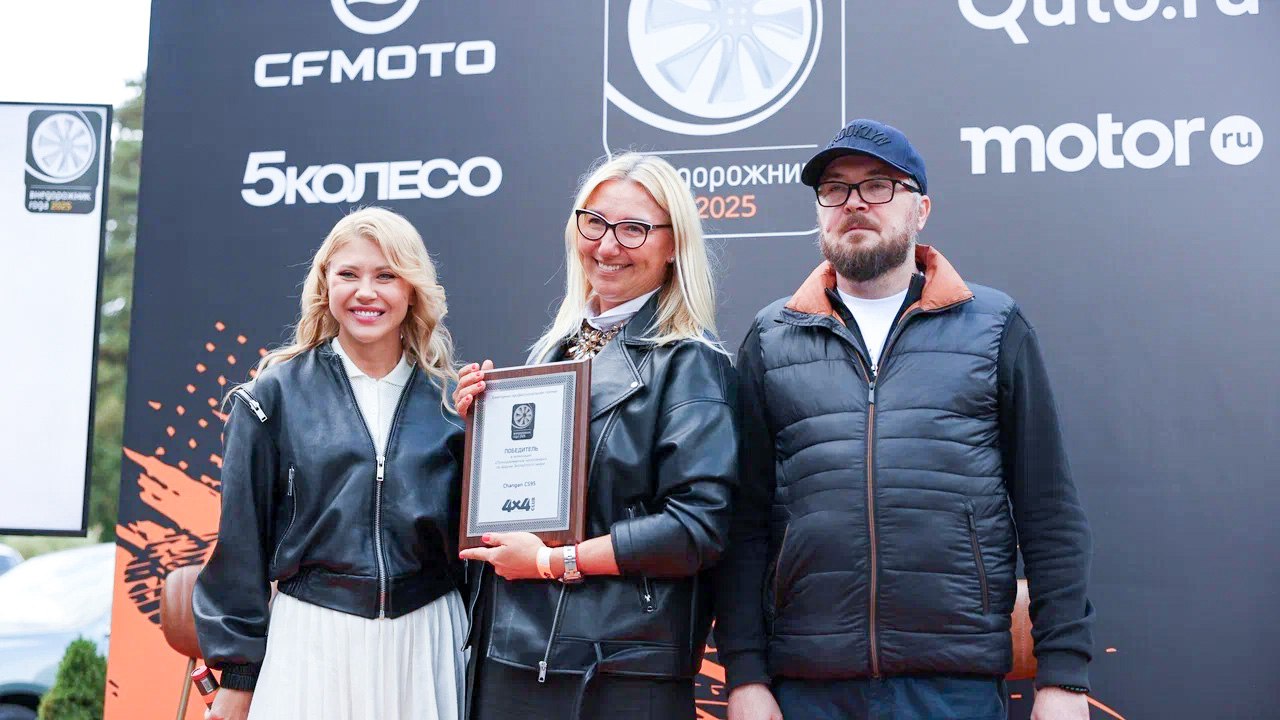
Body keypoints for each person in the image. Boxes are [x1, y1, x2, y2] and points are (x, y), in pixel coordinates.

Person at [714, 120, 1095, 720]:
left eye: (878, 186)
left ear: (921, 209)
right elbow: (745, 524)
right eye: (835, 189)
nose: (854, 203)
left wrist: (1064, 677)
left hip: (953, 688)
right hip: (808, 687)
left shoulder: (994, 327)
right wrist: (744, 675)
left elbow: (1049, 513)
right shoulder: (772, 338)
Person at [452, 153, 737, 720]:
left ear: (673, 244)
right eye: (595, 223)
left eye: (634, 229)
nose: (607, 246)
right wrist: (483, 429)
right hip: (513, 653)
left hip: (618, 670)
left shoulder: (691, 363)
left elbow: (697, 527)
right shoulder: (549, 356)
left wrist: (554, 562)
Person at [193, 207, 468, 720]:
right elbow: (240, 546)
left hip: (428, 640)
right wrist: (238, 677)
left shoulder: (455, 404)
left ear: (412, 290)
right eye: (349, 274)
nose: (366, 292)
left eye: (386, 276)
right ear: (325, 285)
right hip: (312, 640)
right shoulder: (271, 398)